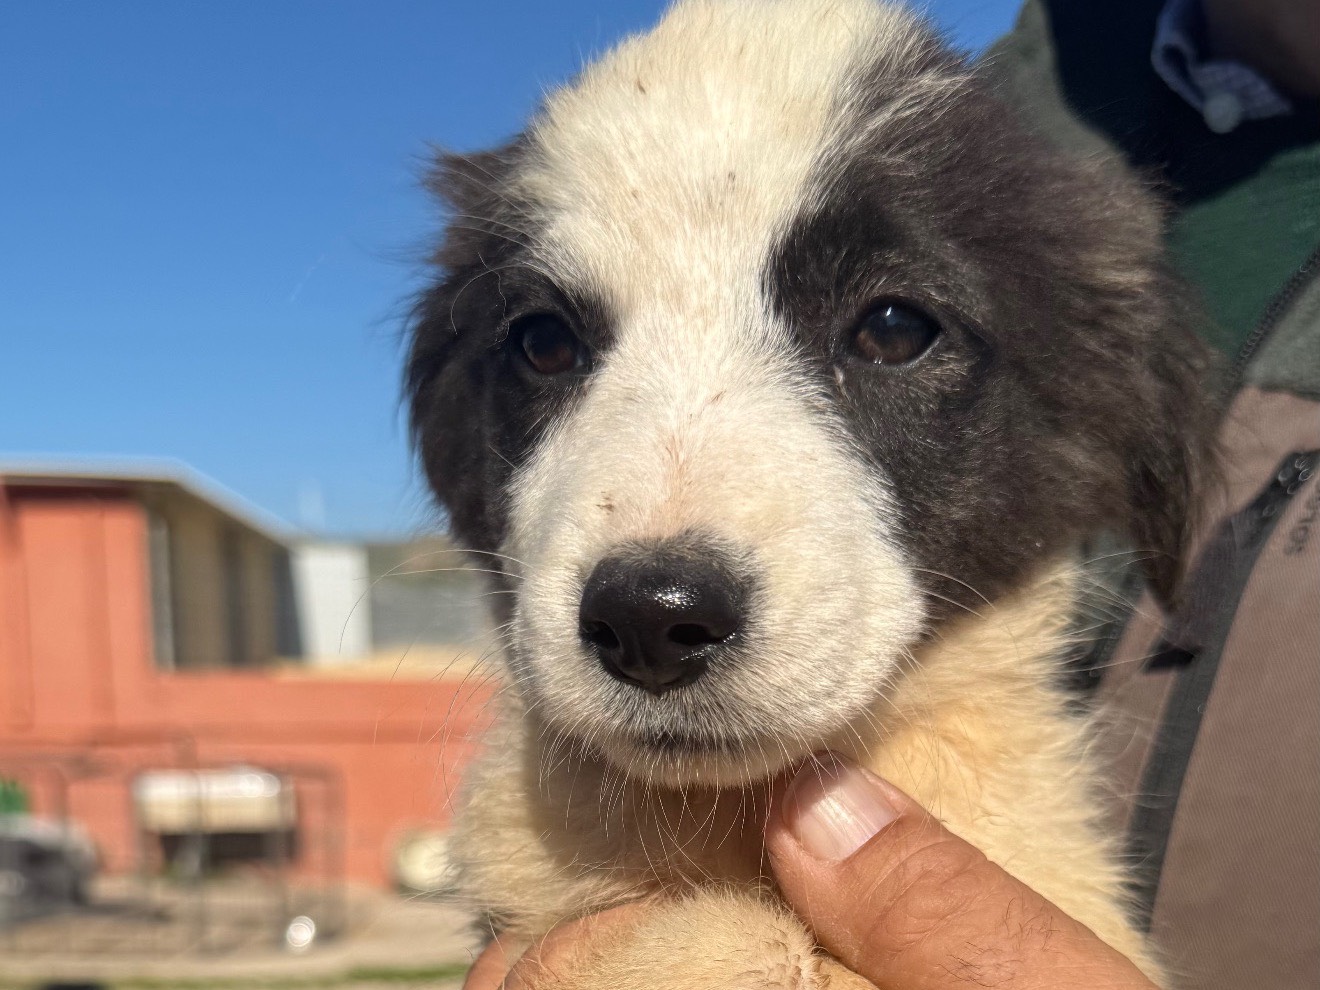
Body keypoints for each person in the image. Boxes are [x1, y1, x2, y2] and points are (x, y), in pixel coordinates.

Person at [465, 0, 1319, 986]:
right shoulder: (1026, 99)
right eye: (549, 344)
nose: (663, 527)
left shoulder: (1024, 206)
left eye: (890, 330)